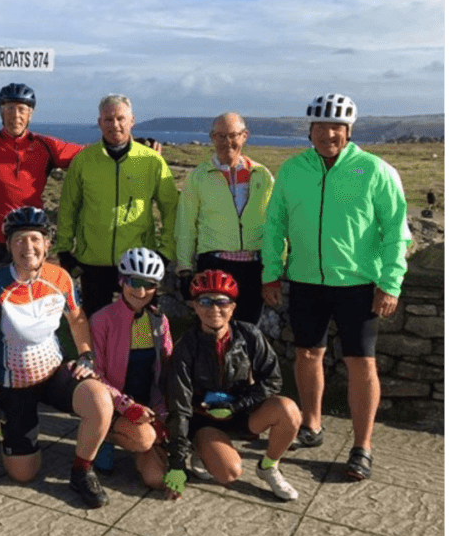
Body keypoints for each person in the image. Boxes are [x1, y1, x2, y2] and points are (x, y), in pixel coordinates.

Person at [262, 94, 410, 481]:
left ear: (349, 131)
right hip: (306, 280)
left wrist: (390, 283)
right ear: (309, 130)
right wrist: (271, 272)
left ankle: (362, 445)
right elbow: (275, 224)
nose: (329, 134)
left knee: (361, 363)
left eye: (337, 127)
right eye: (321, 127)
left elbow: (397, 232)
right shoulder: (293, 170)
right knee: (308, 354)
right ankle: (311, 426)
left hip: (359, 283)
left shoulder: (375, 170)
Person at [0, 207, 114, 509]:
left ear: (47, 244)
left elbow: (76, 320)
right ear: (9, 246)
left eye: (35, 239)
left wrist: (86, 354)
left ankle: (82, 470)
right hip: (13, 382)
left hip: (52, 372)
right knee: (23, 474)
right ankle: (5, 430)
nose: (28, 248)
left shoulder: (59, 278)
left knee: (100, 401)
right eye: (19, 240)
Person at [163, 270, 302, 502]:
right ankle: (202, 449)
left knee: (288, 410)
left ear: (233, 306)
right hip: (205, 419)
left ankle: (269, 466)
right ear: (195, 306)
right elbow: (179, 405)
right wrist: (176, 463)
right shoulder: (186, 346)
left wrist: (238, 405)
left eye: (222, 301)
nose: (214, 309)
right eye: (205, 301)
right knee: (229, 473)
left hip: (240, 414)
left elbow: (273, 380)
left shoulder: (249, 335)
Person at [55, 95, 179, 318]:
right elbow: (68, 207)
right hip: (93, 262)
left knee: (140, 330)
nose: (115, 125)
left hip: (138, 262)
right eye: (108, 119)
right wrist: (64, 249)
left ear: (132, 121)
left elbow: (170, 208)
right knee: (96, 325)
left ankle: (144, 355)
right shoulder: (84, 160)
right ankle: (96, 355)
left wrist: (167, 250)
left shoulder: (151, 160)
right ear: (100, 122)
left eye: (121, 118)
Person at [0, 83, 82, 281]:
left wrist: (135, 145)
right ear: (1, 112)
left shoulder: (45, 146)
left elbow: (88, 156)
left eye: (21, 109)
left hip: (31, 236)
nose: (15, 115)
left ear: (31, 114)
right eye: (9, 108)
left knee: (31, 300)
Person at [175, 112, 273, 324]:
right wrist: (184, 268)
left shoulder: (262, 175)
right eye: (220, 136)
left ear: (244, 136)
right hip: (213, 264)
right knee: (215, 329)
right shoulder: (199, 176)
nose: (226, 142)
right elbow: (186, 225)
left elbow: (274, 225)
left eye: (232, 135)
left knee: (249, 331)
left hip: (253, 267)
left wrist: (274, 268)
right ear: (212, 137)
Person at [89, 248, 171, 490]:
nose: (141, 291)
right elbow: (96, 374)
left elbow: (165, 370)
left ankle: (141, 441)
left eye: (149, 284)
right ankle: (102, 434)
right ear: (122, 280)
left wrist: (163, 411)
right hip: (114, 406)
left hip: (147, 406)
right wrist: (126, 406)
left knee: (157, 478)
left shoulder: (159, 321)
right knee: (145, 439)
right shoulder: (102, 319)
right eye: (134, 281)